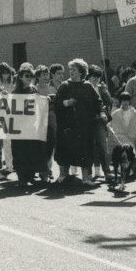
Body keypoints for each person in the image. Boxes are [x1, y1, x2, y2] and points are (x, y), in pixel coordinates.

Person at [54, 58, 106, 186]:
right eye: (70, 69)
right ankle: (63, 175)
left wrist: (102, 113)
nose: (71, 72)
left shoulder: (88, 86)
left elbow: (98, 102)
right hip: (68, 126)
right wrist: (66, 103)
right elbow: (56, 103)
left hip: (85, 126)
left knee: (86, 151)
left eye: (74, 70)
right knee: (65, 150)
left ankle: (86, 178)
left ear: (82, 71)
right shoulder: (64, 85)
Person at [11, 65, 49, 186]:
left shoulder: (33, 90)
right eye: (27, 76)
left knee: (31, 151)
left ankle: (31, 175)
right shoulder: (15, 92)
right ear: (20, 77)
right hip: (19, 127)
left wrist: (44, 99)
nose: (30, 78)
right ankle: (21, 177)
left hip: (31, 126)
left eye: (31, 76)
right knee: (20, 152)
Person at [87, 65, 112, 179]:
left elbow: (108, 102)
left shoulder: (101, 88)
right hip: (87, 121)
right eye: (93, 76)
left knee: (102, 146)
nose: (95, 79)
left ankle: (106, 171)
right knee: (90, 147)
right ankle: (90, 172)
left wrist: (105, 91)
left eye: (98, 77)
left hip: (100, 121)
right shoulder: (85, 87)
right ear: (88, 76)